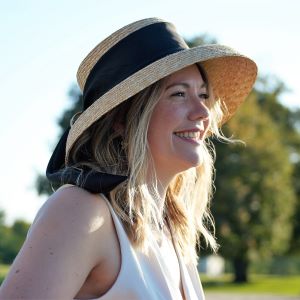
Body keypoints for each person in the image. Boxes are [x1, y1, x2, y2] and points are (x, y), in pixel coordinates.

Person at [0, 18, 257, 299]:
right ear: (122, 120)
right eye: (179, 94)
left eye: (203, 95)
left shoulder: (171, 230)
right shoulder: (81, 211)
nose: (203, 113)